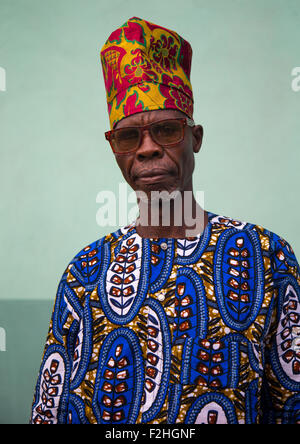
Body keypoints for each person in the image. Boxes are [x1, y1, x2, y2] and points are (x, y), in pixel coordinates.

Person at [30, 17, 300, 424]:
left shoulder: (266, 258)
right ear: (115, 148)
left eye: (167, 130)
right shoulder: (84, 274)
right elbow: (48, 412)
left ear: (196, 137)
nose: (148, 149)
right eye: (128, 137)